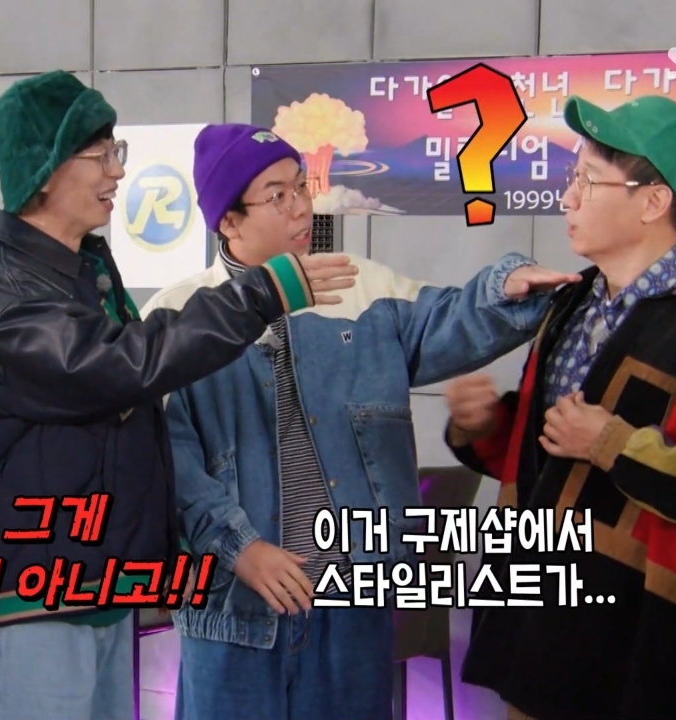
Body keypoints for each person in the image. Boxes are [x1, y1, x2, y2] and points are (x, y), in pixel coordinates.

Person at [0, 72, 358, 720]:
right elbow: (115, 366)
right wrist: (259, 294)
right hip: (33, 587)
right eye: (99, 155)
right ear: (43, 171)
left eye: (117, 152)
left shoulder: (80, 270)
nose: (117, 171)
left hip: (95, 581)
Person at [139, 123, 578, 720]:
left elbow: (451, 319)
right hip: (232, 612)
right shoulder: (178, 315)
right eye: (277, 196)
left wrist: (505, 285)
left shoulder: (363, 288)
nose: (301, 207)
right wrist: (239, 548)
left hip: (354, 608)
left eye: (302, 186)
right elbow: (168, 462)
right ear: (230, 222)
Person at [443, 95, 676, 720]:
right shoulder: (569, 303)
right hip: (540, 631)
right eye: (570, 176)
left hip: (645, 647)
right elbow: (548, 460)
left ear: (652, 201)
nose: (567, 197)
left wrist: (612, 444)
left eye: (587, 180)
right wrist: (487, 426)